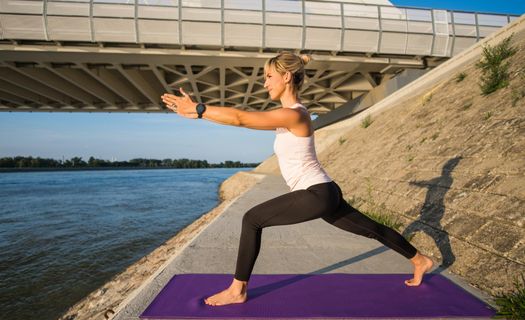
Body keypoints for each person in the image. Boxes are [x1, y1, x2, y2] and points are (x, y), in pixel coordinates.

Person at [161, 51, 434, 307]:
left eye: (268, 76)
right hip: (324, 191)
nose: (264, 82)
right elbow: (237, 119)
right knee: (372, 229)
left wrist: (198, 108)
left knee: (252, 220)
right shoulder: (287, 116)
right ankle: (419, 259)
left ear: (286, 77)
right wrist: (198, 114)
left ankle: (237, 289)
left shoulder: (295, 115)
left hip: (315, 193)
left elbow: (241, 118)